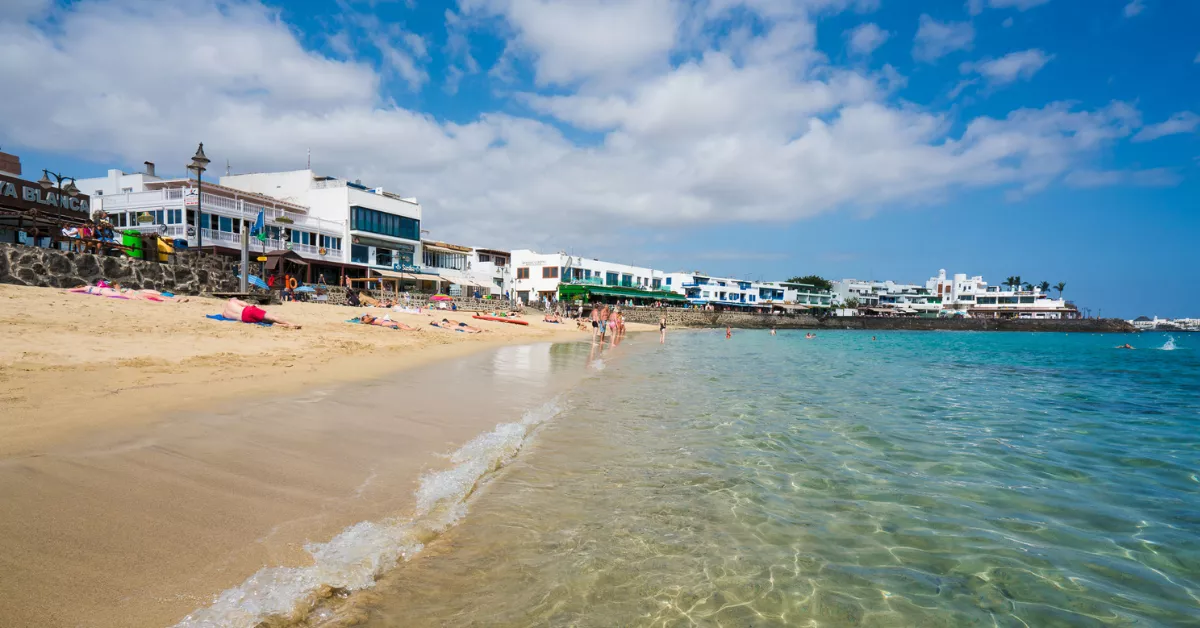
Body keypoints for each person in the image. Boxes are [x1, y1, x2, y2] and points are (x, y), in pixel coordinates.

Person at [221, 297, 300, 328]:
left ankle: (282, 325)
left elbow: (223, 316)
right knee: (271, 317)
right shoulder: (233, 301)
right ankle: (290, 323)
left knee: (265, 322)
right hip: (248, 310)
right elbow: (245, 304)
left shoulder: (225, 313)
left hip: (244, 318)